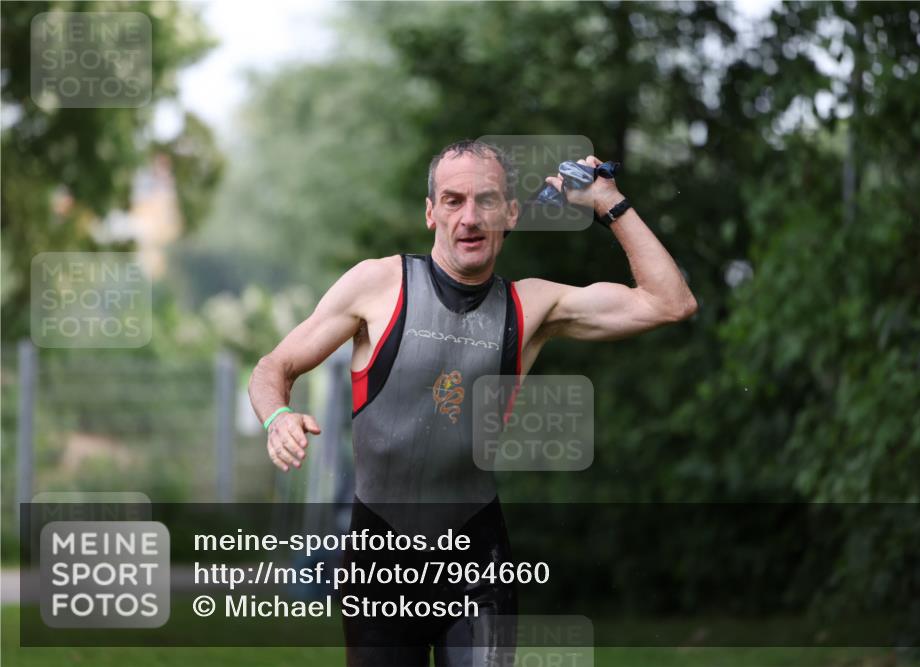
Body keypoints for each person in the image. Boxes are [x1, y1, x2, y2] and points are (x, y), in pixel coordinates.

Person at [248, 139, 697, 666]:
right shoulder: (378, 284)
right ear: (431, 212)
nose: (469, 217)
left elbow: (671, 302)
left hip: (476, 558)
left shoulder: (533, 305)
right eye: (454, 200)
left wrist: (608, 202)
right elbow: (272, 368)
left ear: (510, 213)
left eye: (486, 200)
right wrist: (277, 416)